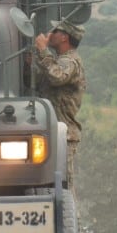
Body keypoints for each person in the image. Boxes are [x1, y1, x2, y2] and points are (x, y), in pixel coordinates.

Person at [33, 19, 86, 196]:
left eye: (55, 32)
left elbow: (57, 77)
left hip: (64, 134)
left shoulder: (70, 62)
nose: (50, 35)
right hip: (50, 132)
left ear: (64, 37)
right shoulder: (58, 61)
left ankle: (69, 221)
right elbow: (36, 83)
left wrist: (43, 50)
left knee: (65, 188)